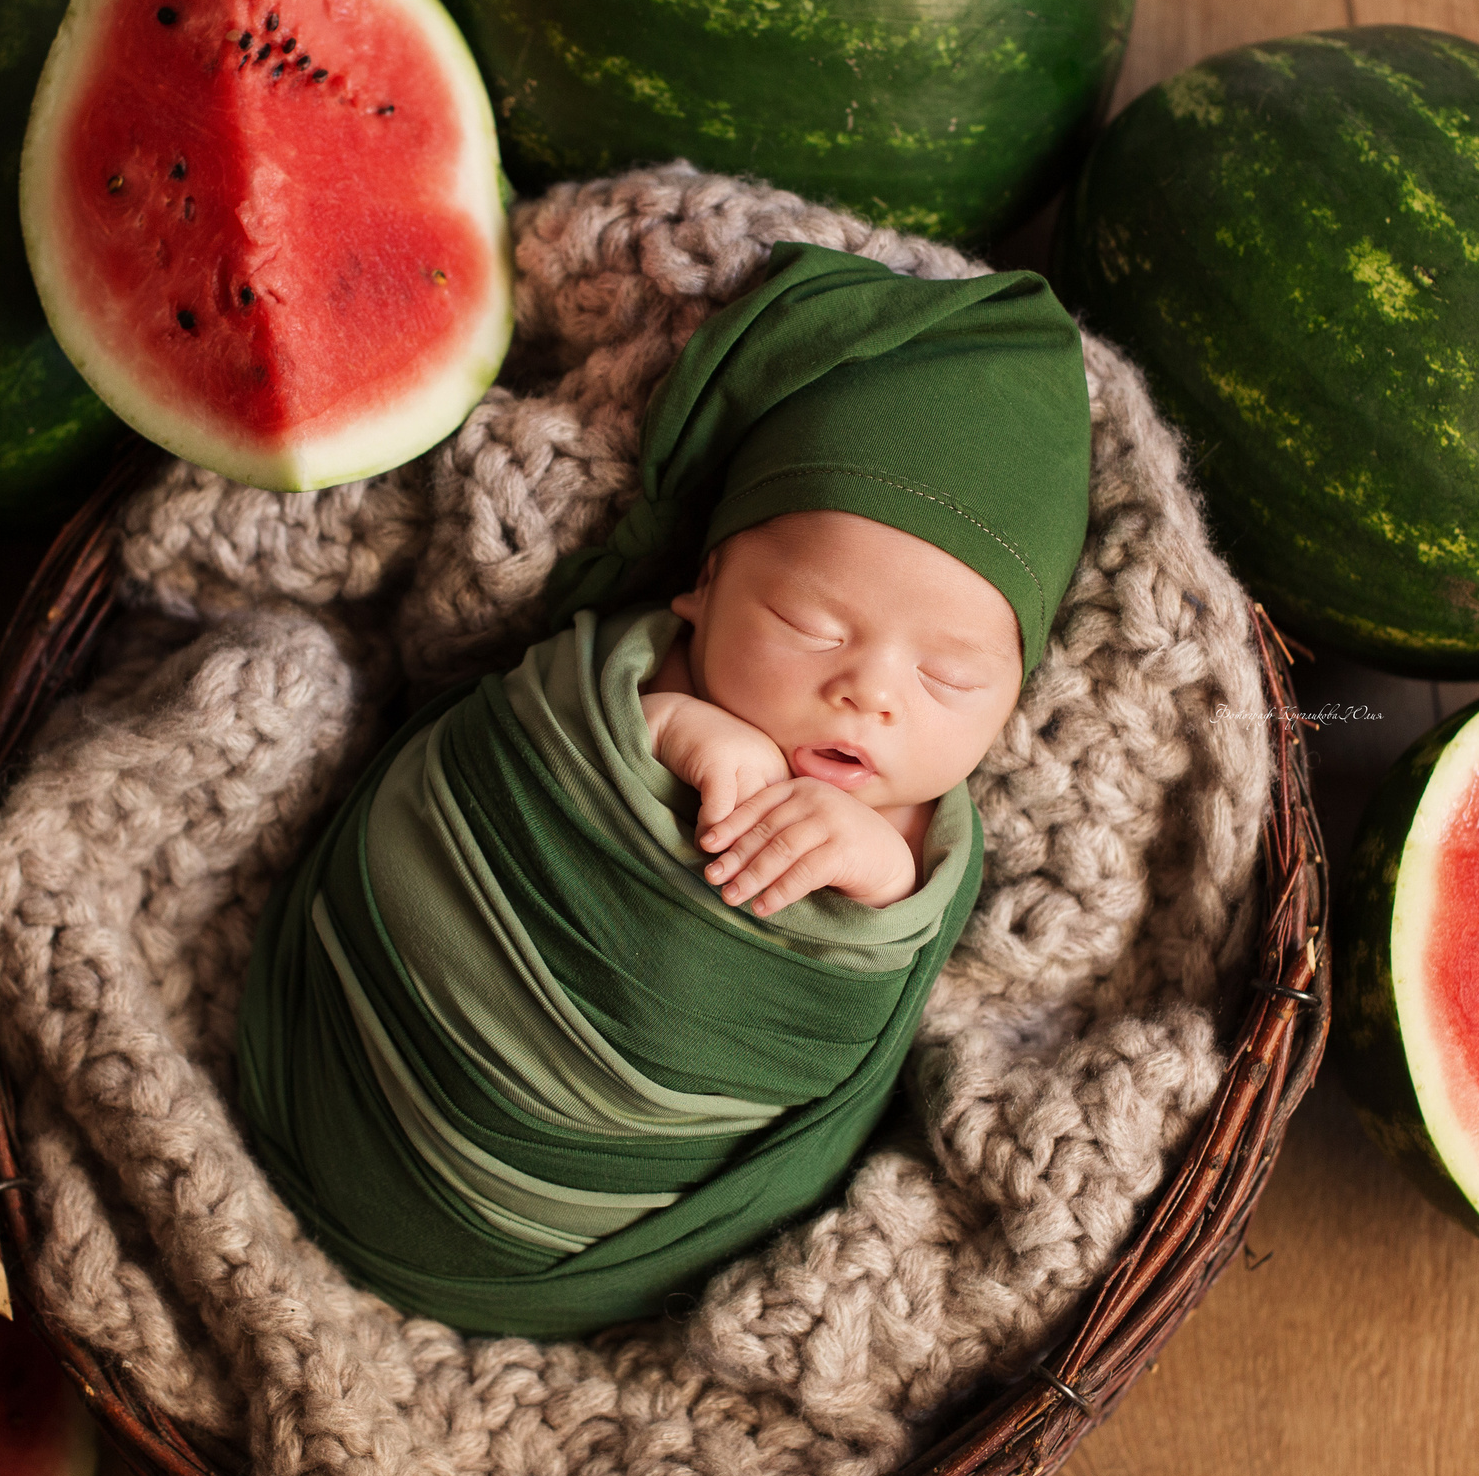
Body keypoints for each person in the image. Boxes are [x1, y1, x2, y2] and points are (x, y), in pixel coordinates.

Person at [237, 242, 1092, 1337]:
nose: (868, 691)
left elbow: (897, 937)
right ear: (701, 587)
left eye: (949, 678)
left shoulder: (917, 822)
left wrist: (868, 857)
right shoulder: (629, 674)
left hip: (597, 1193)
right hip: (370, 1041)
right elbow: (520, 741)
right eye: (811, 624)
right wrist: (669, 725)